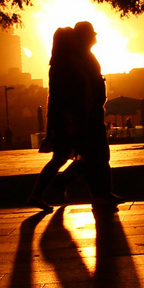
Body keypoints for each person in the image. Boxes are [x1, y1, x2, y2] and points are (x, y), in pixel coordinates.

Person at [31, 22, 121, 210]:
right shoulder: (63, 65)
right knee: (79, 157)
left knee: (82, 157)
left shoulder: (73, 61)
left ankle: (72, 188)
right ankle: (95, 194)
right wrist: (61, 123)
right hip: (72, 120)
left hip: (81, 117)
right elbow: (58, 96)